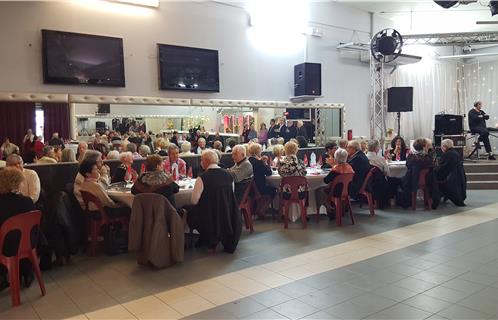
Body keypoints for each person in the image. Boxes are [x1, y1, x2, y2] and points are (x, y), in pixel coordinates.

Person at [184, 150, 242, 253]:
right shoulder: (229, 175)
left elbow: (194, 201)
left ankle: (197, 238)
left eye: (201, 160)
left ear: (206, 162)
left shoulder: (202, 178)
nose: (201, 163)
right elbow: (230, 195)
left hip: (208, 215)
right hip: (226, 213)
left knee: (187, 209)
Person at [0, 168, 36, 290]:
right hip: (27, 244)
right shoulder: (26, 201)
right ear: (18, 182)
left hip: (3, 246)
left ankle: (3, 276)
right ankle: (27, 272)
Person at [398, 138, 437, 209]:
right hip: (426, 182)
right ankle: (429, 201)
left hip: (411, 181)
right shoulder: (427, 158)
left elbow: (408, 165)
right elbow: (432, 167)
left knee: (400, 180)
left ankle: (407, 202)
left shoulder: (411, 157)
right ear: (424, 147)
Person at [315, 148, 354, 218]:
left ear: (335, 158)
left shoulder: (336, 170)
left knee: (318, 191)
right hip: (348, 191)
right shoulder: (350, 168)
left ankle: (327, 208)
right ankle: (332, 208)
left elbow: (326, 180)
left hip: (335, 191)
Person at [435, 139, 466, 206]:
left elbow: (442, 168)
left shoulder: (447, 155)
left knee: (432, 178)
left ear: (444, 146)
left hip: (450, 180)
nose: (441, 148)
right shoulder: (456, 153)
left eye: (441, 146)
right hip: (457, 179)